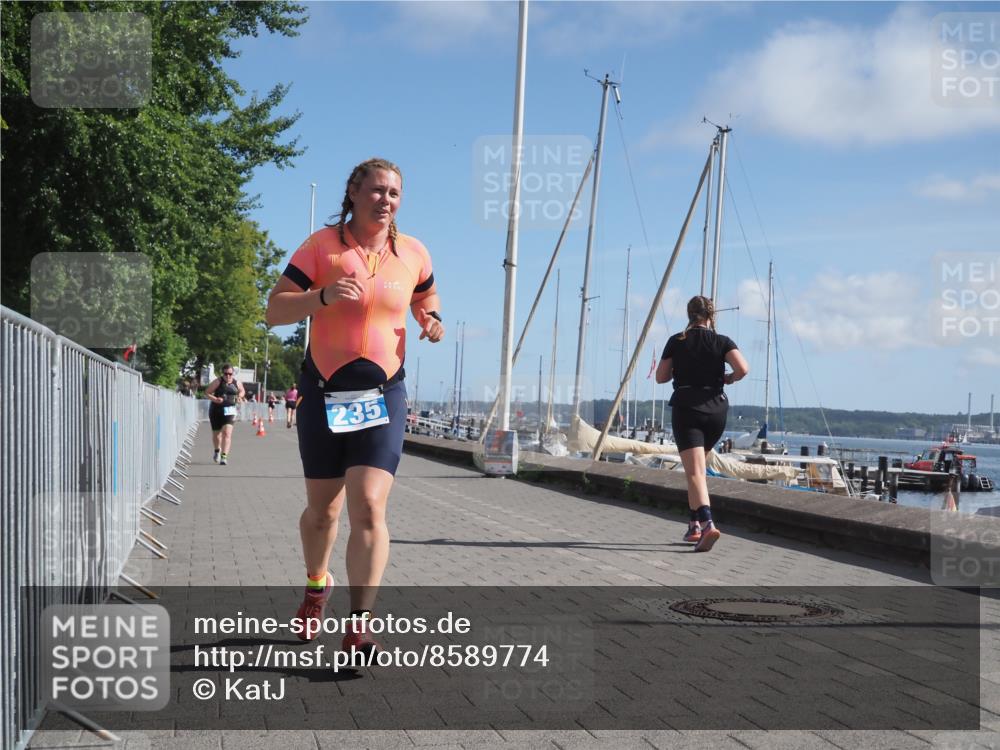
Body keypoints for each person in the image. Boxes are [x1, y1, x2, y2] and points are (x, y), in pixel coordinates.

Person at [265, 157, 444, 654]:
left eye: (394, 193)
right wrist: (320, 297)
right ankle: (316, 588)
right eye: (377, 190)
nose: (385, 200)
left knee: (369, 505)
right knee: (324, 512)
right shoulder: (321, 247)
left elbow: (426, 302)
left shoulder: (413, 253)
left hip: (383, 393)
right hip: (325, 392)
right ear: (354, 192)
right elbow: (274, 311)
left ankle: (360, 622)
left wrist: (432, 323)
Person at [656, 296, 749, 552]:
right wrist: (728, 379)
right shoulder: (722, 341)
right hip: (717, 409)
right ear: (711, 315)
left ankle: (708, 524)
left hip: (688, 407)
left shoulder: (678, 341)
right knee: (694, 471)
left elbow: (661, 377)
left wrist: (681, 367)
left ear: (689, 314)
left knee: (696, 472)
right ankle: (694, 525)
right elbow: (743, 368)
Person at [205, 365, 245, 465]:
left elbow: (242, 391)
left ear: (233, 374)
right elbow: (207, 392)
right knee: (217, 435)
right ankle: (217, 450)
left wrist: (240, 396)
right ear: (222, 373)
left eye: (230, 374)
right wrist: (215, 399)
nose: (228, 376)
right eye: (225, 374)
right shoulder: (218, 381)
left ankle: (224, 457)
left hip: (230, 410)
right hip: (216, 410)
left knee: (227, 433)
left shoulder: (236, 382)